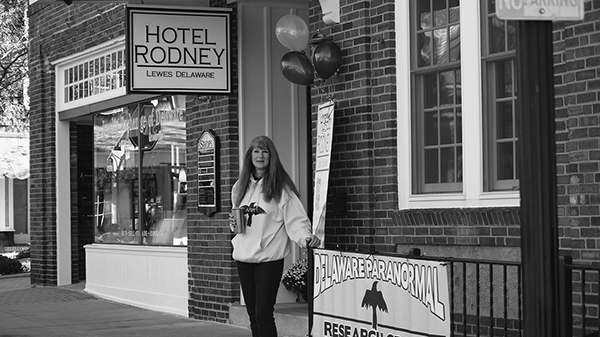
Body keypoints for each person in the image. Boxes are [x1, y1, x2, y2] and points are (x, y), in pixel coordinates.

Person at [229, 135, 320, 337]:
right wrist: (233, 223)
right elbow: (235, 218)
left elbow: (296, 219)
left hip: (268, 259)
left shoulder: (281, 189)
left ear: (271, 156)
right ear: (250, 156)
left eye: (265, 151)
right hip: (244, 257)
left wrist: (305, 237)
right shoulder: (240, 187)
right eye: (256, 151)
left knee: (263, 312)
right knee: (252, 313)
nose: (260, 155)